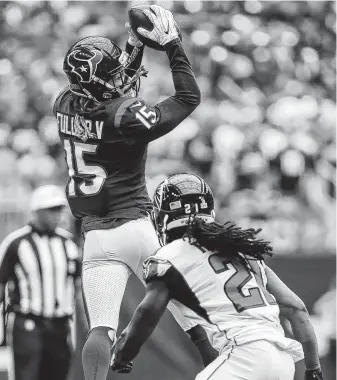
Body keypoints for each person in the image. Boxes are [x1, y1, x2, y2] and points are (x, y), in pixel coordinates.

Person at [53, 4, 217, 380]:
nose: (119, 76)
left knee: (100, 329)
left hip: (95, 236)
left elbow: (113, 82)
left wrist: (132, 44)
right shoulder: (124, 116)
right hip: (136, 228)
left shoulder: (63, 103)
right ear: (97, 81)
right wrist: (173, 45)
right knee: (189, 316)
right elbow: (188, 98)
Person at [111, 173, 324, 380]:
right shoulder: (245, 251)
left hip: (244, 356)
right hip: (282, 361)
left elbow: (147, 313)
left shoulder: (170, 256)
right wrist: (313, 369)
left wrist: (123, 353)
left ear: (163, 216)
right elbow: (296, 308)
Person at [0, 185, 81, 380]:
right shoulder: (16, 243)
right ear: (36, 211)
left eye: (59, 210)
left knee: (58, 374)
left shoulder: (68, 243)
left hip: (60, 326)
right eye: (51, 210)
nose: (57, 215)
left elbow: (78, 287)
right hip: (27, 323)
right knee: (26, 375)